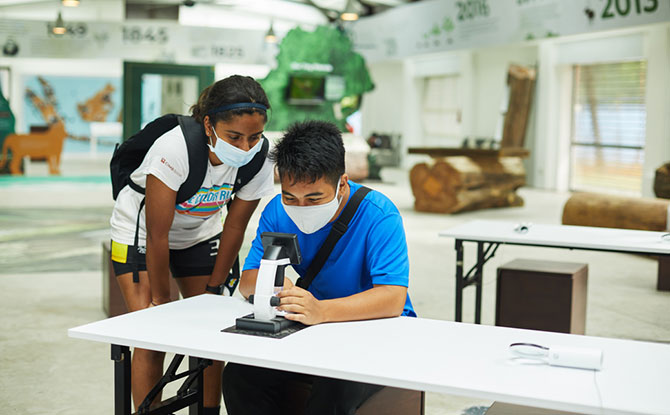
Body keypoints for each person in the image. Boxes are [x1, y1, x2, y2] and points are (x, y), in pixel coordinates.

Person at [222, 120, 416, 415]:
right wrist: (278, 285)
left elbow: (392, 298)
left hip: (376, 329)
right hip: (314, 327)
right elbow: (248, 280)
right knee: (240, 375)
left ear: (342, 183)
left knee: (335, 383)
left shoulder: (378, 215)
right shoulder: (277, 211)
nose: (301, 207)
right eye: (291, 197)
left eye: (314, 198)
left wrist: (322, 311)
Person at [109, 75, 274, 415]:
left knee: (211, 332)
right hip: (139, 233)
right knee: (152, 331)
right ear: (209, 124)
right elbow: (157, 234)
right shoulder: (175, 148)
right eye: (235, 137)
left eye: (254, 137)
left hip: (200, 234)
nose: (245, 147)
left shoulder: (260, 158)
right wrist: (162, 300)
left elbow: (235, 225)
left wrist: (214, 289)